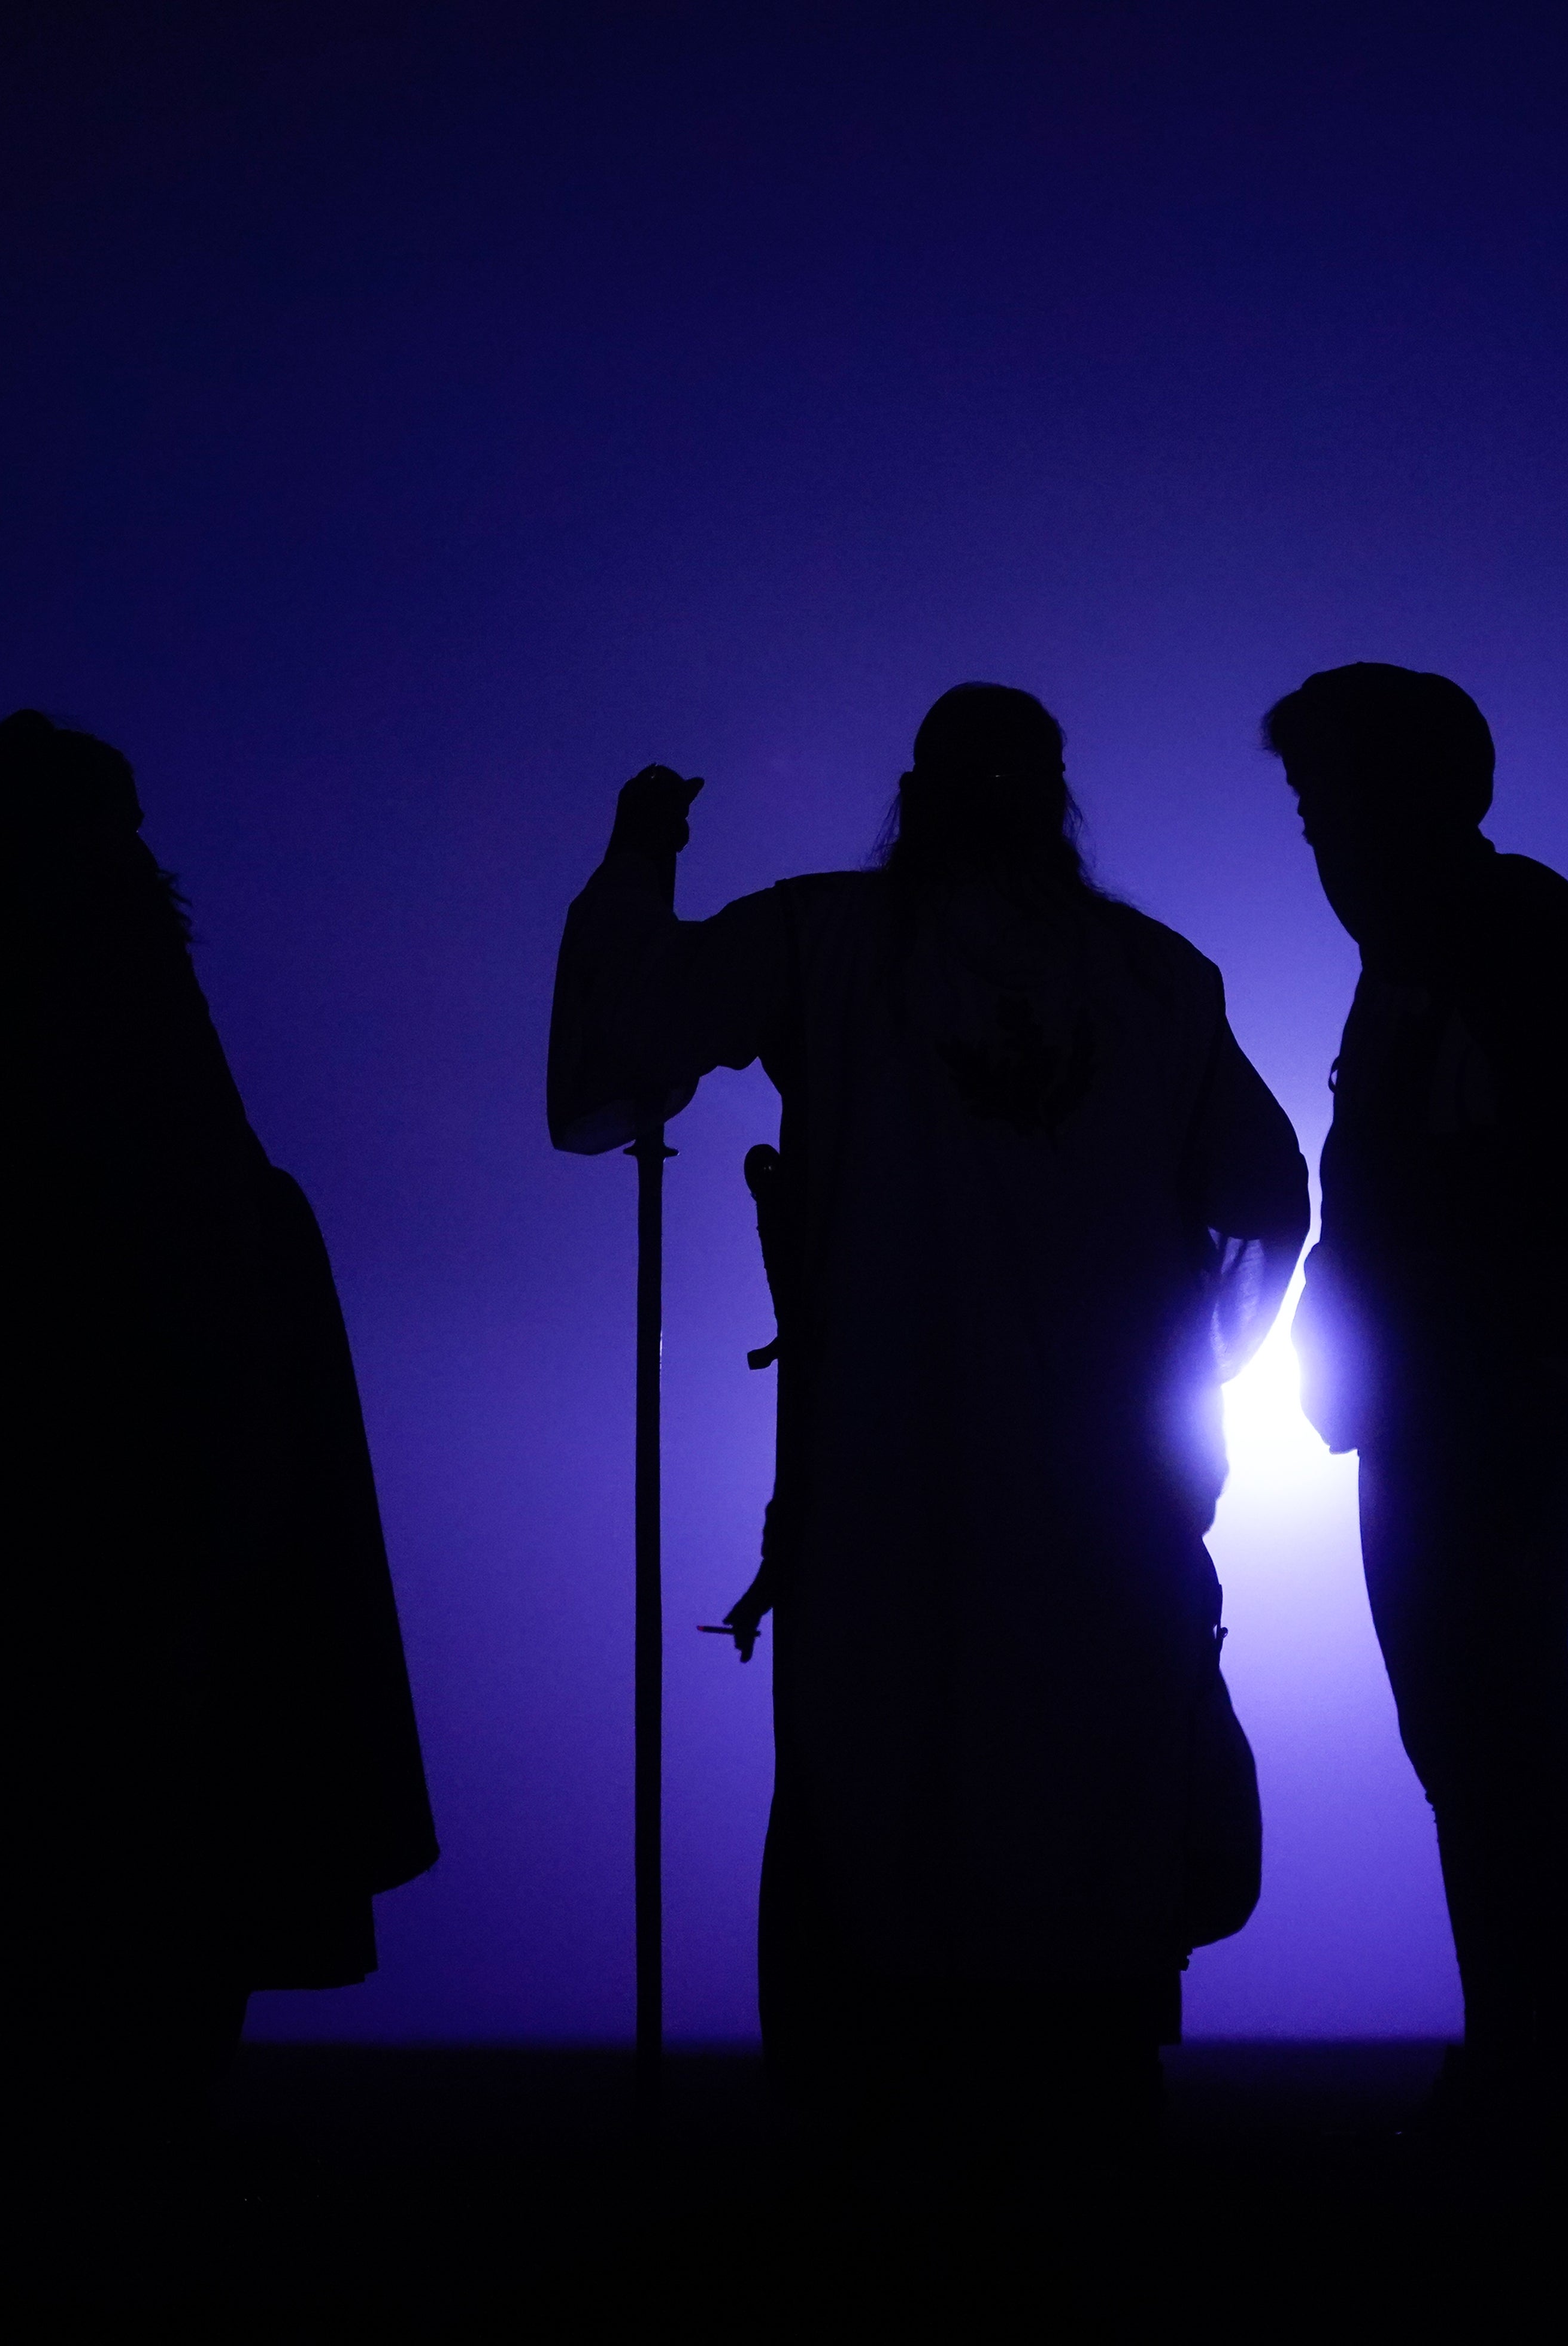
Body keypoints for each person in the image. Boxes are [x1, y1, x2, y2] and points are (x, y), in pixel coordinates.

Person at [549, 684, 1308, 2147]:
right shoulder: (1157, 981)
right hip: (1093, 1526)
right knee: (1074, 1886)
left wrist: (638, 864)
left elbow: (612, 1057)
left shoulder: (823, 937)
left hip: (897, 1517)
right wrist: (1177, 1381)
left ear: (918, 791)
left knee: (895, 1878)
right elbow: (1265, 1206)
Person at [0, 713, 433, 2253]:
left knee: (113, 1881)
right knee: (44, 1881)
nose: (120, 850)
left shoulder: (61, 972)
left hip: (119, 1473)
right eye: (96, 822)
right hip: (28, 1469)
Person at [1267, 662, 1568, 2158]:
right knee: (1475, 1734)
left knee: (1498, 1734)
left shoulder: (1499, 939)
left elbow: (1488, 1188)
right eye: (1308, 809)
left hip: (1482, 1390)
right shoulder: (1428, 949)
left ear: (1423, 797)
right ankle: (1520, 2063)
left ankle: (1535, 2082)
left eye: (1333, 799)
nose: (1320, 838)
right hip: (1445, 1391)